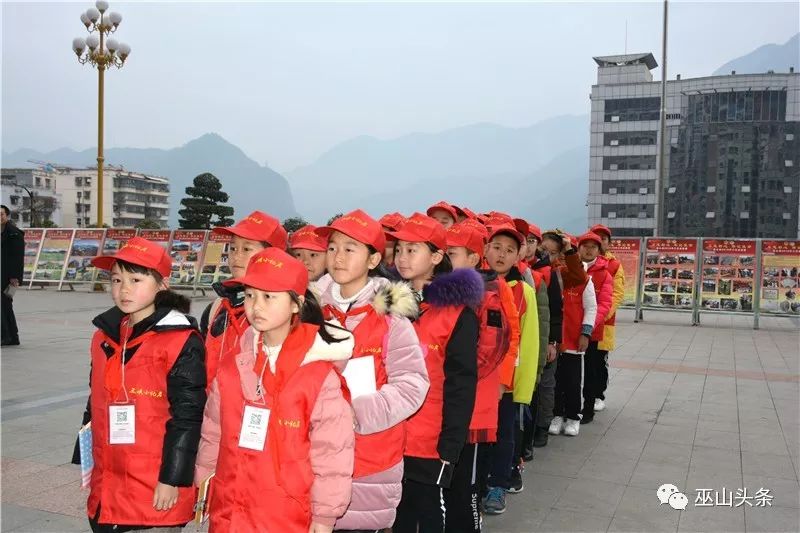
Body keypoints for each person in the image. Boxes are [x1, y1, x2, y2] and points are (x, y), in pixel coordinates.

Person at [195, 248, 355, 532]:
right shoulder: (233, 366)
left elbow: (332, 452)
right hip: (229, 512)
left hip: (285, 516)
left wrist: (324, 516)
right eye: (250, 295)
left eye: (269, 296)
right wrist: (205, 484)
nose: (256, 306)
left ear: (296, 304)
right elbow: (212, 432)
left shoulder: (318, 376)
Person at [78, 237, 207, 532]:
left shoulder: (180, 340)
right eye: (116, 279)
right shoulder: (103, 337)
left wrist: (173, 478)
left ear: (162, 285)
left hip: (153, 489)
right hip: (107, 486)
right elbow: (94, 402)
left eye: (136, 279)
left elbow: (188, 416)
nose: (124, 289)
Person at [315, 209, 430, 532]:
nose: (338, 257)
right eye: (333, 247)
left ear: (372, 259)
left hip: (369, 458)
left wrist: (357, 412)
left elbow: (412, 384)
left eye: (350, 249)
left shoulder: (392, 319)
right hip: (314, 457)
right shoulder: (310, 313)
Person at [390, 213, 480, 533]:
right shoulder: (388, 305)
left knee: (429, 515)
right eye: (398, 249)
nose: (402, 257)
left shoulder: (457, 314)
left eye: (412, 250)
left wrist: (450, 445)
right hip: (388, 434)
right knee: (396, 518)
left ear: (437, 256)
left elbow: (461, 384)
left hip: (430, 440)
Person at [482, 224, 540, 515]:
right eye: (496, 248)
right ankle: (479, 481)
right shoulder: (472, 284)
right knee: (480, 434)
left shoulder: (524, 292)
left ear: (519, 256)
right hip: (477, 379)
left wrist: (523, 386)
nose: (501, 255)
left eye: (509, 250)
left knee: (504, 435)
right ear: (484, 250)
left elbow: (529, 343)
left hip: (507, 382)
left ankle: (498, 485)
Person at [199, 211, 287, 389]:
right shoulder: (217, 307)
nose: (236, 256)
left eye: (246, 249)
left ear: (273, 255)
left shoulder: (285, 311)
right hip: (212, 409)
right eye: (232, 248)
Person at [549, 231, 599, 438]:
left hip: (573, 338)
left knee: (572, 380)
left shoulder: (584, 281)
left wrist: (585, 334)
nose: (561, 260)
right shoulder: (550, 278)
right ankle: (557, 415)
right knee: (555, 380)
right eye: (556, 256)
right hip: (554, 339)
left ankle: (573, 416)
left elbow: (592, 308)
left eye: (565, 255)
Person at [589, 224, 625, 412]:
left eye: (604, 239)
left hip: (604, 322)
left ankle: (598, 395)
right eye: (597, 237)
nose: (600, 241)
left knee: (598, 361)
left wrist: (602, 315)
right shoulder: (584, 260)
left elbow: (617, 294)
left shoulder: (615, 265)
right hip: (582, 321)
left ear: (609, 243)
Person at [578, 232, 613, 424]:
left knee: (591, 370)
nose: (589, 250)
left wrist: (588, 326)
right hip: (570, 331)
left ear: (599, 251)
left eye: (593, 247)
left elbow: (605, 304)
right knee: (571, 372)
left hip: (592, 331)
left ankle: (588, 408)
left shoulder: (604, 274)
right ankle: (569, 407)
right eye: (585, 246)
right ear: (578, 248)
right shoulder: (571, 269)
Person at [1, 205, 24, 346]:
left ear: (7, 216)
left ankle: (6, 336)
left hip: (8, 276)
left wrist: (15, 278)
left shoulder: (14, 233)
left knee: (4, 306)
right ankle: (12, 336)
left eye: (1, 214)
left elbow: (17, 258)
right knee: (5, 306)